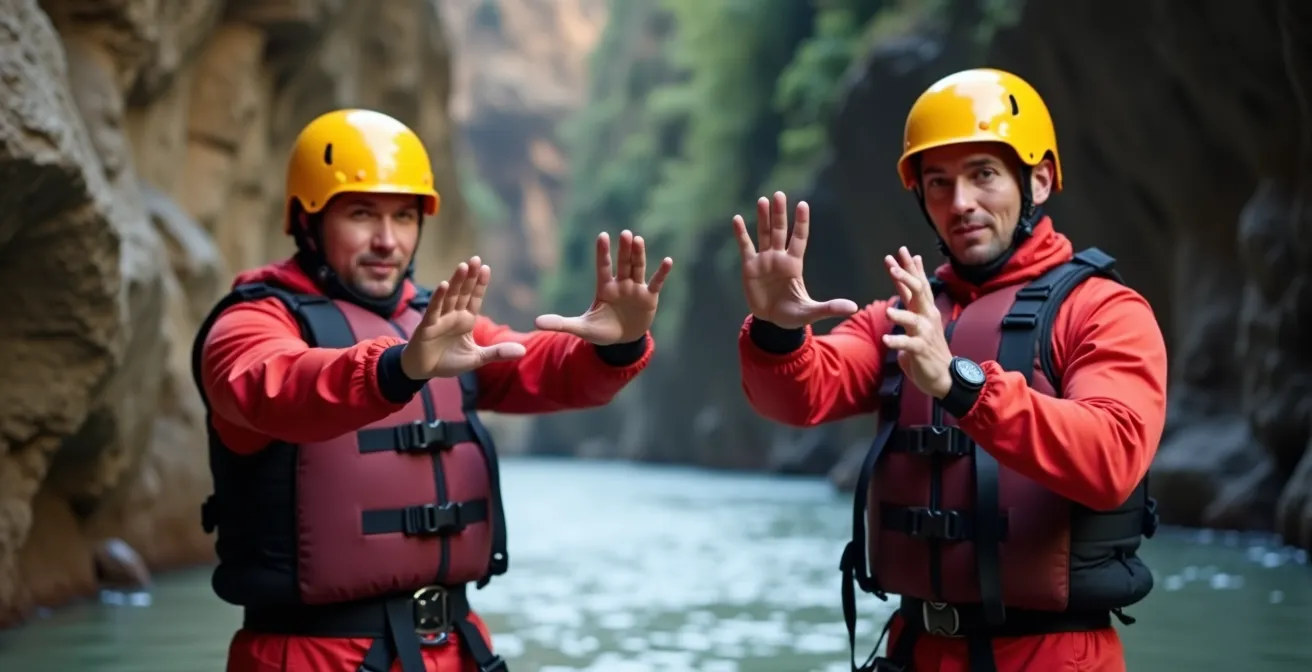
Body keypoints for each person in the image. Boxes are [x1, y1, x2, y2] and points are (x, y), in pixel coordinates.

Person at [191, 108, 674, 672]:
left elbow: (536, 365)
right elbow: (271, 387)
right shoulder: (251, 321)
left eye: (404, 216)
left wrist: (615, 347)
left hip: (455, 647)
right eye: (362, 214)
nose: (386, 241)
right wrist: (398, 368)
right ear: (307, 220)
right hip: (312, 655)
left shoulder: (432, 322)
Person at [733, 68, 1166, 672]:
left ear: (1039, 180)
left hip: (1050, 656)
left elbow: (1113, 456)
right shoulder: (904, 316)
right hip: (916, 650)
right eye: (938, 182)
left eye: (983, 174)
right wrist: (777, 331)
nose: (960, 203)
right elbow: (798, 396)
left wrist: (960, 384)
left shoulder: (1103, 311)